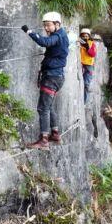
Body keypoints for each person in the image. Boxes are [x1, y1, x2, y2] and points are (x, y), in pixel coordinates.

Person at [21, 12, 69, 150]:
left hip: (51, 77)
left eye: (48, 25)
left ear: (57, 24)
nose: (46, 28)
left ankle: (44, 140)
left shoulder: (58, 36)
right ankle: (55, 133)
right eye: (45, 25)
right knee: (48, 106)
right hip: (57, 77)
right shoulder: (61, 35)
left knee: (43, 108)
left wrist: (29, 31)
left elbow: (44, 42)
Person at [78, 28, 96, 104]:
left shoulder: (92, 43)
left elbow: (93, 54)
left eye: (86, 36)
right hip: (81, 64)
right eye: (83, 36)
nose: (85, 37)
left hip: (89, 65)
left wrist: (87, 47)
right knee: (79, 82)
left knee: (86, 84)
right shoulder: (79, 42)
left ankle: (84, 101)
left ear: (89, 36)